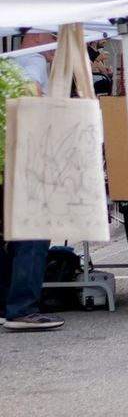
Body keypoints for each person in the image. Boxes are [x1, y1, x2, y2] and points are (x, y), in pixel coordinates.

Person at [0, 48, 55, 332]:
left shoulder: (8, 63)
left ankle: (5, 304)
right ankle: (22, 308)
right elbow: (31, 94)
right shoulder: (31, 61)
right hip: (19, 160)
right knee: (32, 232)